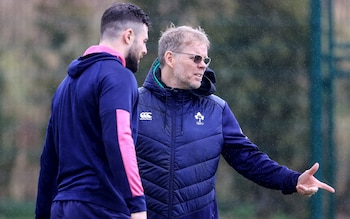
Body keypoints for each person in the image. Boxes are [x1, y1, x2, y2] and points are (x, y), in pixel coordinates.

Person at [135, 25, 335, 219]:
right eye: (196, 58)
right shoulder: (134, 103)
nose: (203, 64)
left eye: (205, 59)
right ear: (170, 58)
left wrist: (292, 180)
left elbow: (249, 159)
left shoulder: (216, 110)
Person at [35, 2, 150, 219]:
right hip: (101, 207)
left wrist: (42, 214)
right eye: (143, 41)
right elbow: (119, 139)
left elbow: (49, 158)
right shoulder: (119, 77)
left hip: (62, 207)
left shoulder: (65, 86)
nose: (145, 49)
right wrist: (137, 205)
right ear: (128, 36)